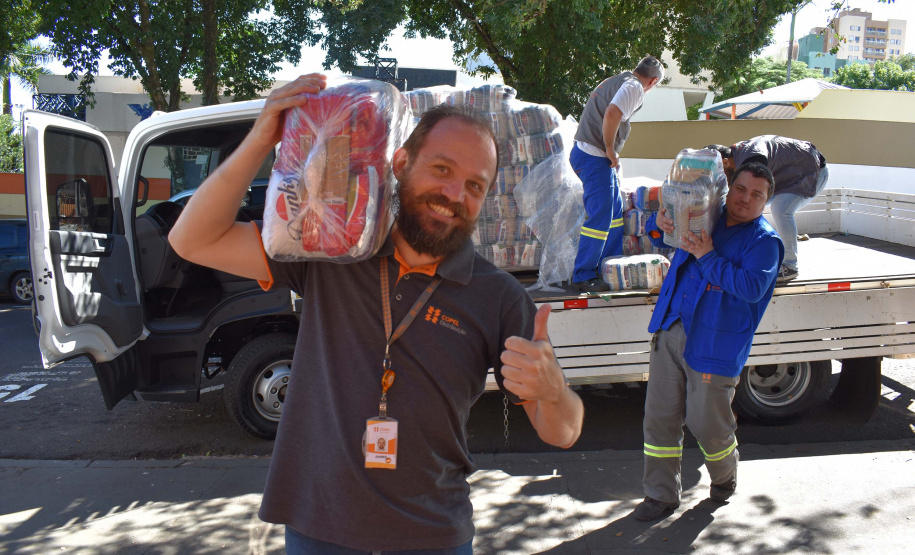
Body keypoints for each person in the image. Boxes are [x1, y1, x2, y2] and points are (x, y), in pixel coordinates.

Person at [168, 74, 584, 553]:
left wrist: (554, 392)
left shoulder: (501, 297)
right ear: (401, 162)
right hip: (316, 527)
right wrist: (262, 137)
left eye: (474, 185)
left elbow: (563, 432)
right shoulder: (333, 247)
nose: (454, 195)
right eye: (442, 169)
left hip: (432, 536)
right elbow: (192, 239)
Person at [632, 162, 784, 521]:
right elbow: (664, 236)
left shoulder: (765, 242)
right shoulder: (706, 216)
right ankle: (660, 496)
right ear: (729, 189)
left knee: (706, 424)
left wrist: (708, 256)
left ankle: (725, 475)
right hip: (671, 328)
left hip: (715, 344)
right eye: (741, 189)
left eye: (756, 195)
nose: (746, 199)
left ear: (766, 202)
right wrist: (661, 223)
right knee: (659, 419)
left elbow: (751, 287)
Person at [570, 55, 664, 293]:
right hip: (594, 156)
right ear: (653, 82)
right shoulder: (634, 87)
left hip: (590, 154)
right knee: (600, 216)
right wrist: (610, 149)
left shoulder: (618, 79)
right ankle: (583, 274)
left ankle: (610, 266)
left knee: (614, 211)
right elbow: (612, 114)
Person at [708, 136, 828, 283]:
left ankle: (790, 265)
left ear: (725, 163)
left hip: (812, 172)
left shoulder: (752, 158)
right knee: (750, 202)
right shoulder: (739, 157)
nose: (717, 180)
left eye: (717, 175)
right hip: (790, 177)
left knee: (780, 209)